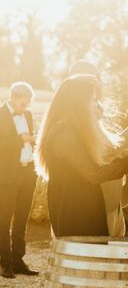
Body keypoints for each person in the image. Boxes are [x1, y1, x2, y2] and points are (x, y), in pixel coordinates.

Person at [36, 74, 128, 238]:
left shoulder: (74, 129)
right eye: (91, 100)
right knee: (84, 258)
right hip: (74, 209)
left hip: (84, 204)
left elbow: (104, 156)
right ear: (78, 102)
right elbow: (94, 173)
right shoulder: (63, 133)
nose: (95, 106)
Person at [0, 81, 39, 278]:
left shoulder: (29, 115)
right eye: (23, 104)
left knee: (22, 219)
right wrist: (21, 139)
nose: (26, 108)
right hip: (8, 174)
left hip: (28, 173)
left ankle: (18, 260)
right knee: (5, 218)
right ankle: (5, 263)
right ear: (14, 98)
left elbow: (29, 141)